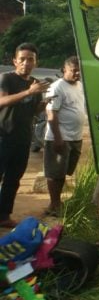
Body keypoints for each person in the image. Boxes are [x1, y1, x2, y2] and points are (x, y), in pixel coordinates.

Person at [0, 43, 50, 228]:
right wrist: (28, 92)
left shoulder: (35, 83)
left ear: (36, 62)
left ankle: (4, 215)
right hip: (3, 137)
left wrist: (42, 104)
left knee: (13, 179)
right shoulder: (6, 78)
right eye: (22, 59)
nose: (26, 63)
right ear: (15, 61)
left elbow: (32, 112)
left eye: (30, 59)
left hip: (23, 139)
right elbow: (2, 101)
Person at [43, 56, 86, 216]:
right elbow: (51, 113)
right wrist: (58, 138)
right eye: (73, 70)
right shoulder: (56, 87)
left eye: (78, 70)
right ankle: (54, 205)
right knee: (55, 173)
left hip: (76, 137)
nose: (77, 73)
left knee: (64, 171)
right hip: (60, 137)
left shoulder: (80, 85)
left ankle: (56, 203)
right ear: (64, 70)